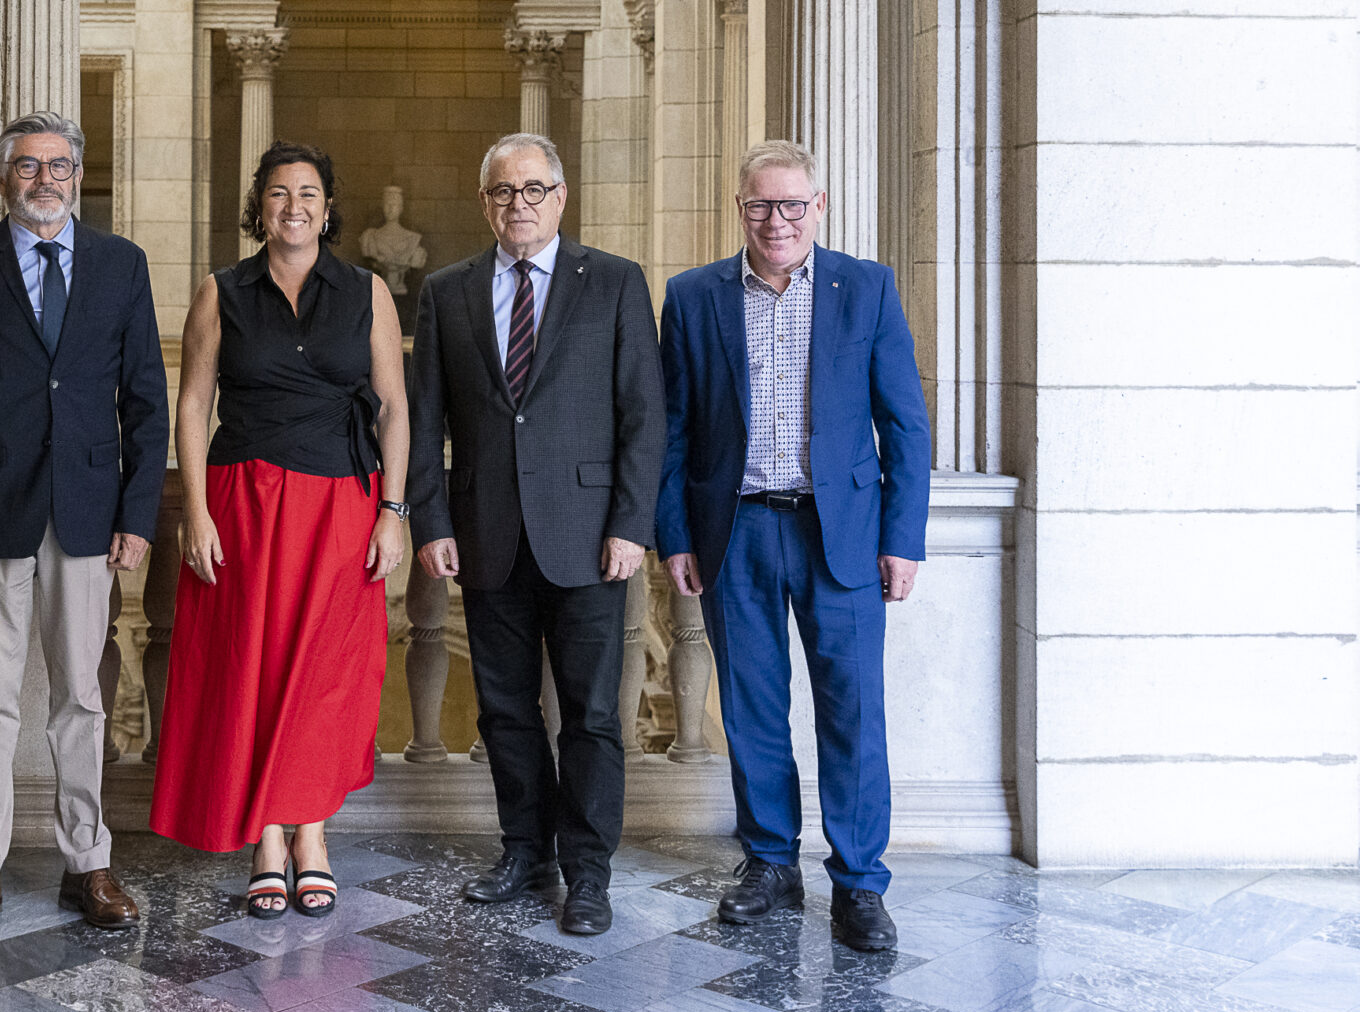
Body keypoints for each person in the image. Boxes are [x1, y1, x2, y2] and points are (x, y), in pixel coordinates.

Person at [656, 140, 931, 953]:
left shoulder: (867, 288)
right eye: (759, 205)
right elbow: (673, 432)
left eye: (791, 205)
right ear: (739, 208)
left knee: (853, 712)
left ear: (819, 207)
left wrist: (903, 539)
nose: (775, 221)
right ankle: (770, 863)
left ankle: (859, 882)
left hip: (838, 533)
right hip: (734, 531)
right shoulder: (695, 296)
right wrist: (676, 533)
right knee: (751, 710)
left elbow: (905, 425)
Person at [0, 111, 170, 940]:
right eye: (27, 167)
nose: (45, 180)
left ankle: (88, 862)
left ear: (78, 174)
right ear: (2, 179)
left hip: (91, 516)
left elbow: (146, 405)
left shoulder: (121, 266)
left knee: (83, 699)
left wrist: (136, 515)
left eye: (60, 165)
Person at [407, 132, 662, 938]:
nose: (518, 205)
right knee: (506, 710)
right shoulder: (446, 291)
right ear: (485, 203)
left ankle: (588, 871)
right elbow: (425, 420)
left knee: (590, 714)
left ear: (561, 196)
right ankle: (525, 851)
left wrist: (630, 522)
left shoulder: (616, 282)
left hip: (590, 538)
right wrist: (433, 518)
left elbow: (642, 416)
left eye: (533, 190)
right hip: (486, 532)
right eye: (503, 192)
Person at [150, 141, 409, 918]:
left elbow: (394, 407)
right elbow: (193, 405)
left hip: (341, 502)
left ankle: (312, 835)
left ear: (329, 208)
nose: (293, 206)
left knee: (326, 675)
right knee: (252, 668)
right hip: (245, 502)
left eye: (308, 193)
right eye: (276, 193)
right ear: (257, 207)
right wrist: (195, 511)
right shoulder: (220, 292)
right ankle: (266, 836)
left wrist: (393, 513)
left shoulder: (367, 290)